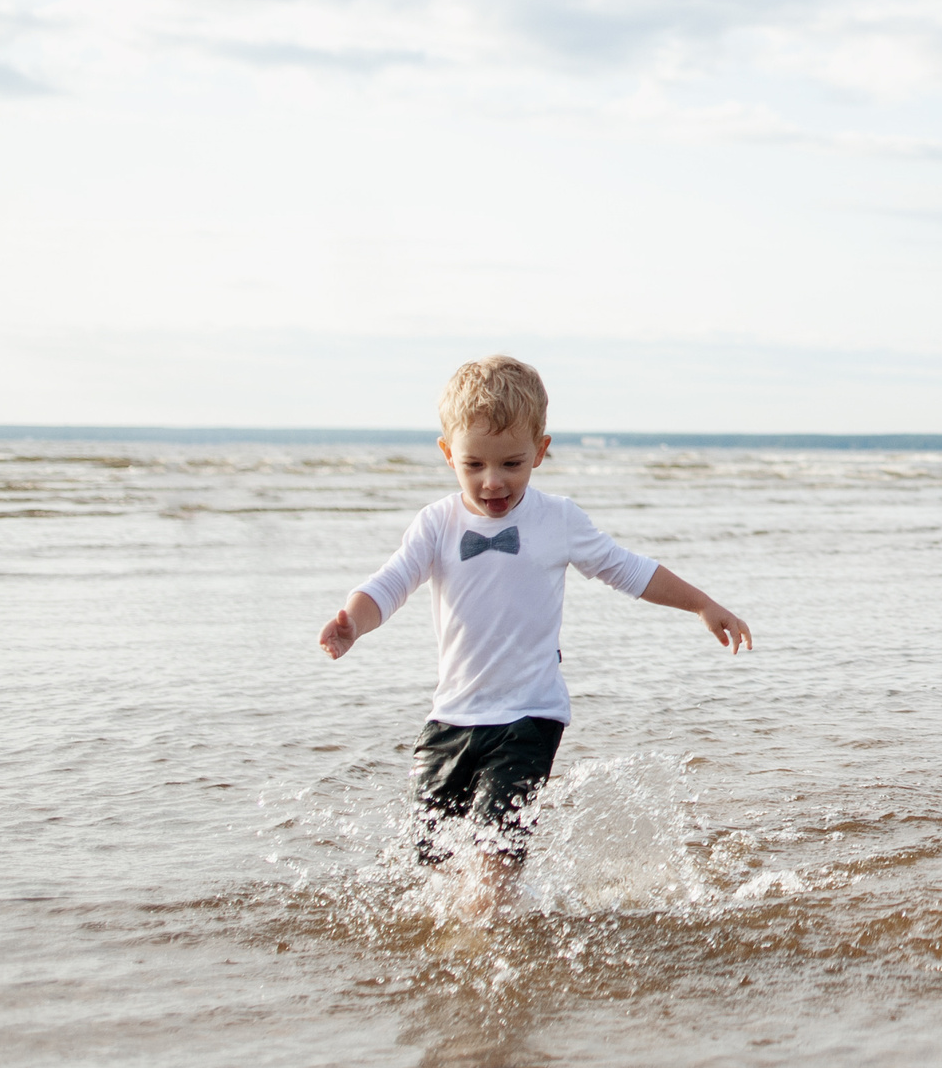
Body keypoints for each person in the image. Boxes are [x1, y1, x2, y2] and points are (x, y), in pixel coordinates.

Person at [316, 355, 750, 904]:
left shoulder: (557, 519)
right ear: (448, 453)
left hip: (529, 716)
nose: (493, 482)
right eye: (473, 465)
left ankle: (491, 940)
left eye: (512, 464)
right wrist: (354, 621)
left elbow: (629, 569)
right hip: (451, 717)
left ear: (540, 452)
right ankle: (482, 930)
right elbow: (391, 583)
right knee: (432, 859)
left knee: (496, 853)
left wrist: (702, 605)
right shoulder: (436, 524)